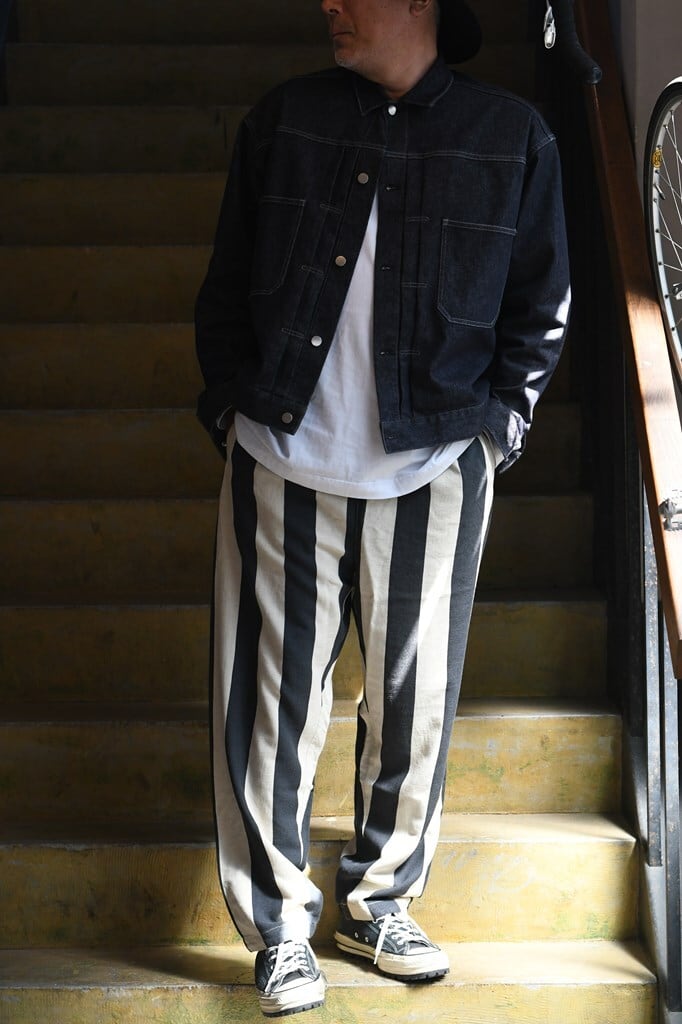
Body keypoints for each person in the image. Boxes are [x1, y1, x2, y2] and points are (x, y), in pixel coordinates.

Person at [195, 0, 570, 1016]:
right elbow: (225, 285)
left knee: (416, 697)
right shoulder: (285, 120)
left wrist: (495, 434)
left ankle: (380, 901)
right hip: (280, 454)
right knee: (267, 707)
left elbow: (541, 306)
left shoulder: (511, 137)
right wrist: (229, 410)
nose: (329, 2)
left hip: (435, 460)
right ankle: (279, 929)